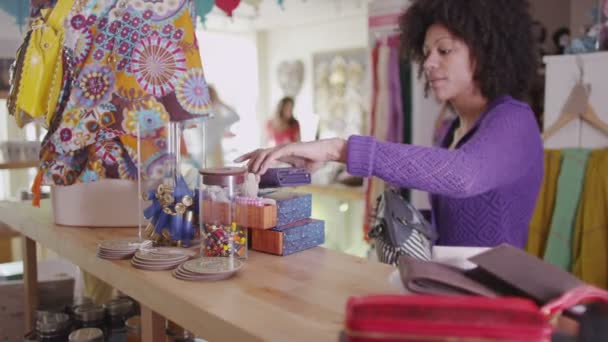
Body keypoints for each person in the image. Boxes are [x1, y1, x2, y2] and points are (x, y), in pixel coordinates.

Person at [237, 0, 543, 248]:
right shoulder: (452, 130)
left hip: (494, 309)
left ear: (486, 50)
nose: (429, 63)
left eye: (444, 50)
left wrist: (336, 149)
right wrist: (405, 222)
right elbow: (462, 223)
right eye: (425, 53)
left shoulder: (513, 120)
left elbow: (463, 175)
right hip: (451, 296)